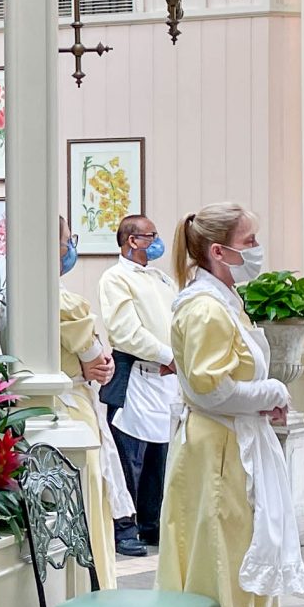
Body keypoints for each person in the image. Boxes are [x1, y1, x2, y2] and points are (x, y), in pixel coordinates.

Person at [157, 203, 304, 607]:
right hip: (218, 457)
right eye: (249, 241)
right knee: (214, 568)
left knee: (246, 563)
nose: (256, 250)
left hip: (230, 445)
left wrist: (262, 403)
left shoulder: (224, 300)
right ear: (218, 251)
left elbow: (228, 386)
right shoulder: (205, 307)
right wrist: (270, 393)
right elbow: (211, 388)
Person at [56, 218, 134, 579]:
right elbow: (97, 359)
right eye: (67, 240)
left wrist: (99, 361)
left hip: (66, 404)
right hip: (70, 412)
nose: (70, 247)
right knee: (88, 502)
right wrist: (98, 360)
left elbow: (97, 360)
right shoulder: (60, 301)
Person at [99, 214, 179, 558]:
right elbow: (125, 332)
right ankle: (125, 528)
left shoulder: (161, 279)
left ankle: (151, 523)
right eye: (151, 235)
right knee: (128, 461)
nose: (156, 241)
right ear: (132, 240)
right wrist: (167, 354)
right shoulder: (115, 278)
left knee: (159, 458)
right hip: (136, 377)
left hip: (166, 379)